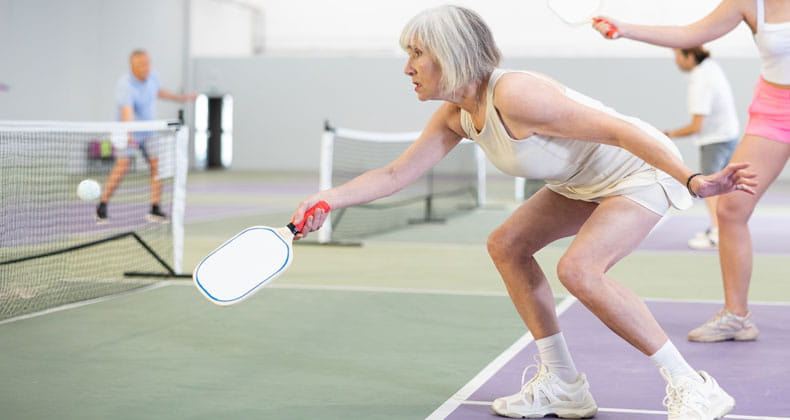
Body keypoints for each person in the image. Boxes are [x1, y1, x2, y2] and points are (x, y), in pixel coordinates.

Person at [290, 6, 756, 420]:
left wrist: (691, 179)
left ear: (451, 54)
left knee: (579, 270)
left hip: (639, 171)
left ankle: (691, 386)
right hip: (580, 183)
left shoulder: (516, 94)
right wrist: (328, 198)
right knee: (506, 245)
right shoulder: (455, 114)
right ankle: (564, 385)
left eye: (416, 53)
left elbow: (620, 131)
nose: (407, 68)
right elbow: (394, 175)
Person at [593, 0, 788, 343]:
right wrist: (625, 28)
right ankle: (737, 316)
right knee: (730, 207)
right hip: (774, 112)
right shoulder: (748, 3)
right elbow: (690, 33)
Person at [96, 49, 196, 223]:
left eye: (148, 63)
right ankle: (102, 206)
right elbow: (127, 112)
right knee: (122, 167)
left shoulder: (152, 76)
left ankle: (155, 209)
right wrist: (130, 134)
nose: (147, 67)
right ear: (133, 66)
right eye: (142, 64)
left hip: (150, 131)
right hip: (129, 131)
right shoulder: (125, 85)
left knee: (157, 166)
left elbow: (159, 92)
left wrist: (182, 98)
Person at [664, 46, 740, 250]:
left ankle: (717, 234)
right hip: (728, 135)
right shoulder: (711, 67)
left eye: (677, 56)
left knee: (710, 189)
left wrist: (667, 134)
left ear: (690, 57)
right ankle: (722, 230)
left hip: (715, 140)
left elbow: (696, 126)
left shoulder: (701, 80)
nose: (675, 61)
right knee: (723, 188)